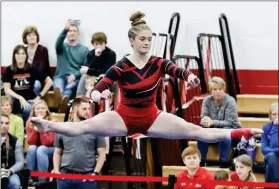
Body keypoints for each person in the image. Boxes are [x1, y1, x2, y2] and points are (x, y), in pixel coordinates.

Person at [31, 12, 262, 144]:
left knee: (196, 132)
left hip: (152, 116)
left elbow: (177, 70)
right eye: (143, 39)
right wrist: (97, 93)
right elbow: (96, 89)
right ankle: (47, 125)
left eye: (149, 39)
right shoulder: (121, 65)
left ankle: (242, 132)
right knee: (85, 127)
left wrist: (190, 76)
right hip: (123, 116)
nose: (147, 42)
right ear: (132, 40)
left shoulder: (157, 62)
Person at [53, 97, 106, 189]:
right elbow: (57, 153)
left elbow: (102, 154)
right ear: (75, 109)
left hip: (86, 177)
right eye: (84, 109)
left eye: (89, 109)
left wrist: (95, 173)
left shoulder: (96, 129)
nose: (87, 111)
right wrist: (57, 172)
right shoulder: (63, 128)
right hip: (65, 176)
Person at [2, 45, 53, 124]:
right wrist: (20, 97)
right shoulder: (9, 70)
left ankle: (29, 129)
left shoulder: (32, 68)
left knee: (38, 108)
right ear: (14, 55)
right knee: (27, 109)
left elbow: (49, 81)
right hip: (15, 100)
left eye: (23, 53)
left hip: (29, 99)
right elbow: (7, 89)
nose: (20, 56)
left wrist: (39, 96)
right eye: (18, 54)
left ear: (26, 56)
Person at [197, 77, 241, 168]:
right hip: (214, 131)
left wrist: (212, 122)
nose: (217, 91)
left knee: (225, 131)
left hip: (232, 132)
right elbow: (204, 116)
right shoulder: (207, 100)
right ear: (211, 90)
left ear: (224, 89)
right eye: (215, 89)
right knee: (200, 130)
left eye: (220, 89)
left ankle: (223, 162)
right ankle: (201, 162)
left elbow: (229, 123)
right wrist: (205, 121)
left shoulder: (230, 101)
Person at [53, 19, 89, 99]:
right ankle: (62, 105)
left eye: (74, 31)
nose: (72, 33)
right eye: (69, 31)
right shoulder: (61, 47)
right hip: (60, 76)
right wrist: (65, 28)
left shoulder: (85, 49)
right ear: (66, 33)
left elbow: (85, 68)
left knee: (69, 89)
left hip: (74, 78)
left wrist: (75, 75)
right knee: (59, 89)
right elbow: (58, 42)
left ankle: (61, 106)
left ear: (78, 34)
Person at [77, 32, 116, 96]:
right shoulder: (91, 53)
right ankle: (79, 97)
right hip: (91, 76)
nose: (99, 46)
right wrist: (96, 57)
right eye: (96, 44)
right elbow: (87, 67)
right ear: (93, 44)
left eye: (101, 44)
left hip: (102, 76)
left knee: (102, 77)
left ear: (105, 43)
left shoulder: (111, 54)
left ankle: (94, 96)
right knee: (84, 76)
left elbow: (107, 71)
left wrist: (89, 70)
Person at [26, 100, 55, 184]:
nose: (40, 110)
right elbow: (31, 142)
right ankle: (30, 177)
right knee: (32, 148)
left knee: (41, 149)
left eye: (43, 108)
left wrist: (41, 129)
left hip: (52, 148)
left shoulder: (52, 122)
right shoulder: (29, 122)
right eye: (38, 108)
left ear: (46, 110)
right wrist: (35, 130)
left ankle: (41, 180)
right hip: (38, 148)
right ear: (34, 111)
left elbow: (48, 142)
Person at [22, 26, 51, 95]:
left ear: (37, 37)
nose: (32, 37)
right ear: (25, 38)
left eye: (34, 35)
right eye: (29, 35)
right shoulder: (23, 50)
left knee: (36, 85)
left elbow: (41, 68)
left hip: (41, 78)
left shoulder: (43, 50)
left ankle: (37, 102)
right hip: (26, 77)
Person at [1, 114, 24, 189]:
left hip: (9, 171)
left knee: (15, 183)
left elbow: (20, 162)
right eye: (1, 123)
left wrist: (10, 171)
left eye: (7, 123)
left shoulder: (16, 141)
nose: (4, 126)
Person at [261, 102, 278, 183]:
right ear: (270, 115)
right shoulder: (266, 127)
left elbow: (274, 145)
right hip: (271, 156)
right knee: (271, 156)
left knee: (269, 167)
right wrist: (275, 126)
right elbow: (264, 149)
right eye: (274, 114)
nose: (277, 117)